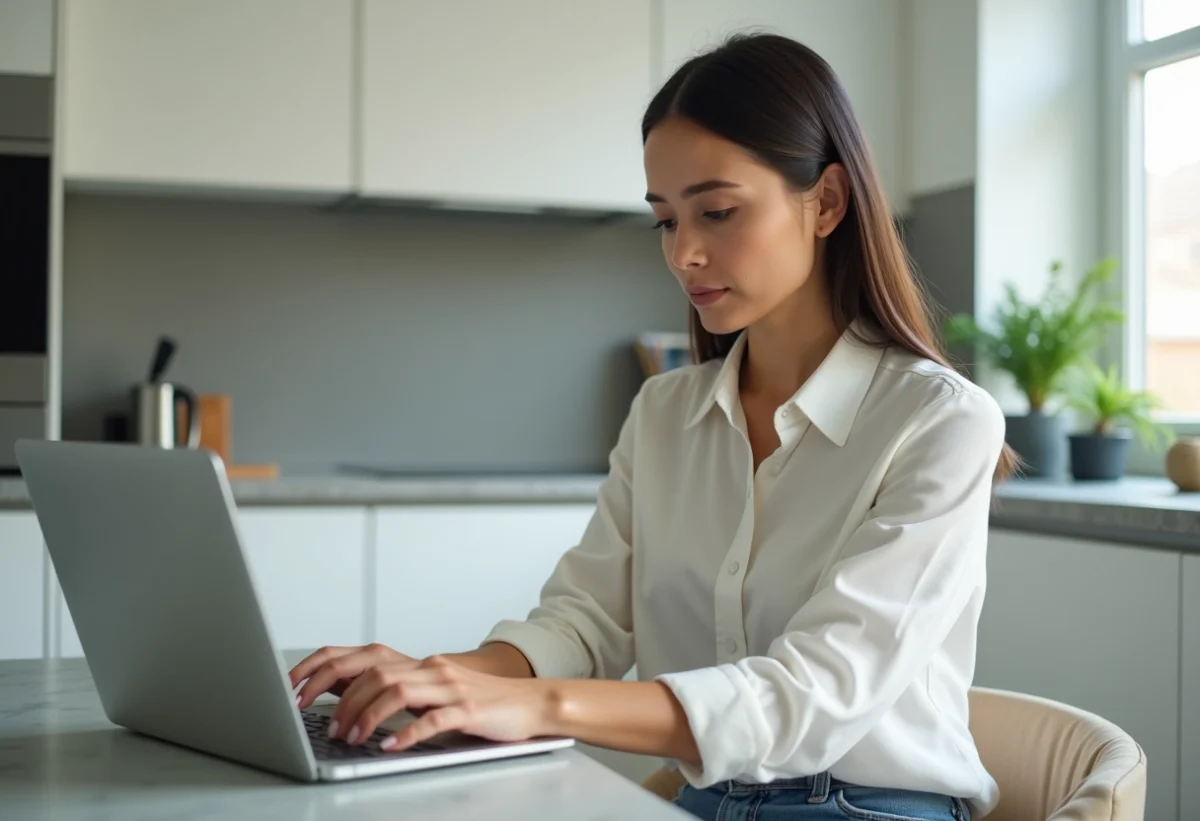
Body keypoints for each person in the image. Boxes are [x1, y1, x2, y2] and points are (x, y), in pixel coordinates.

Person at [289, 33, 1015, 821]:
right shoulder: (665, 412)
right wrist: (435, 676)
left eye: (718, 211)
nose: (685, 254)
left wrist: (534, 707)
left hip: (869, 807)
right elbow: (585, 621)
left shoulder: (939, 421)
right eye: (665, 220)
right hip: (704, 798)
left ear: (828, 202)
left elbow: (811, 696)